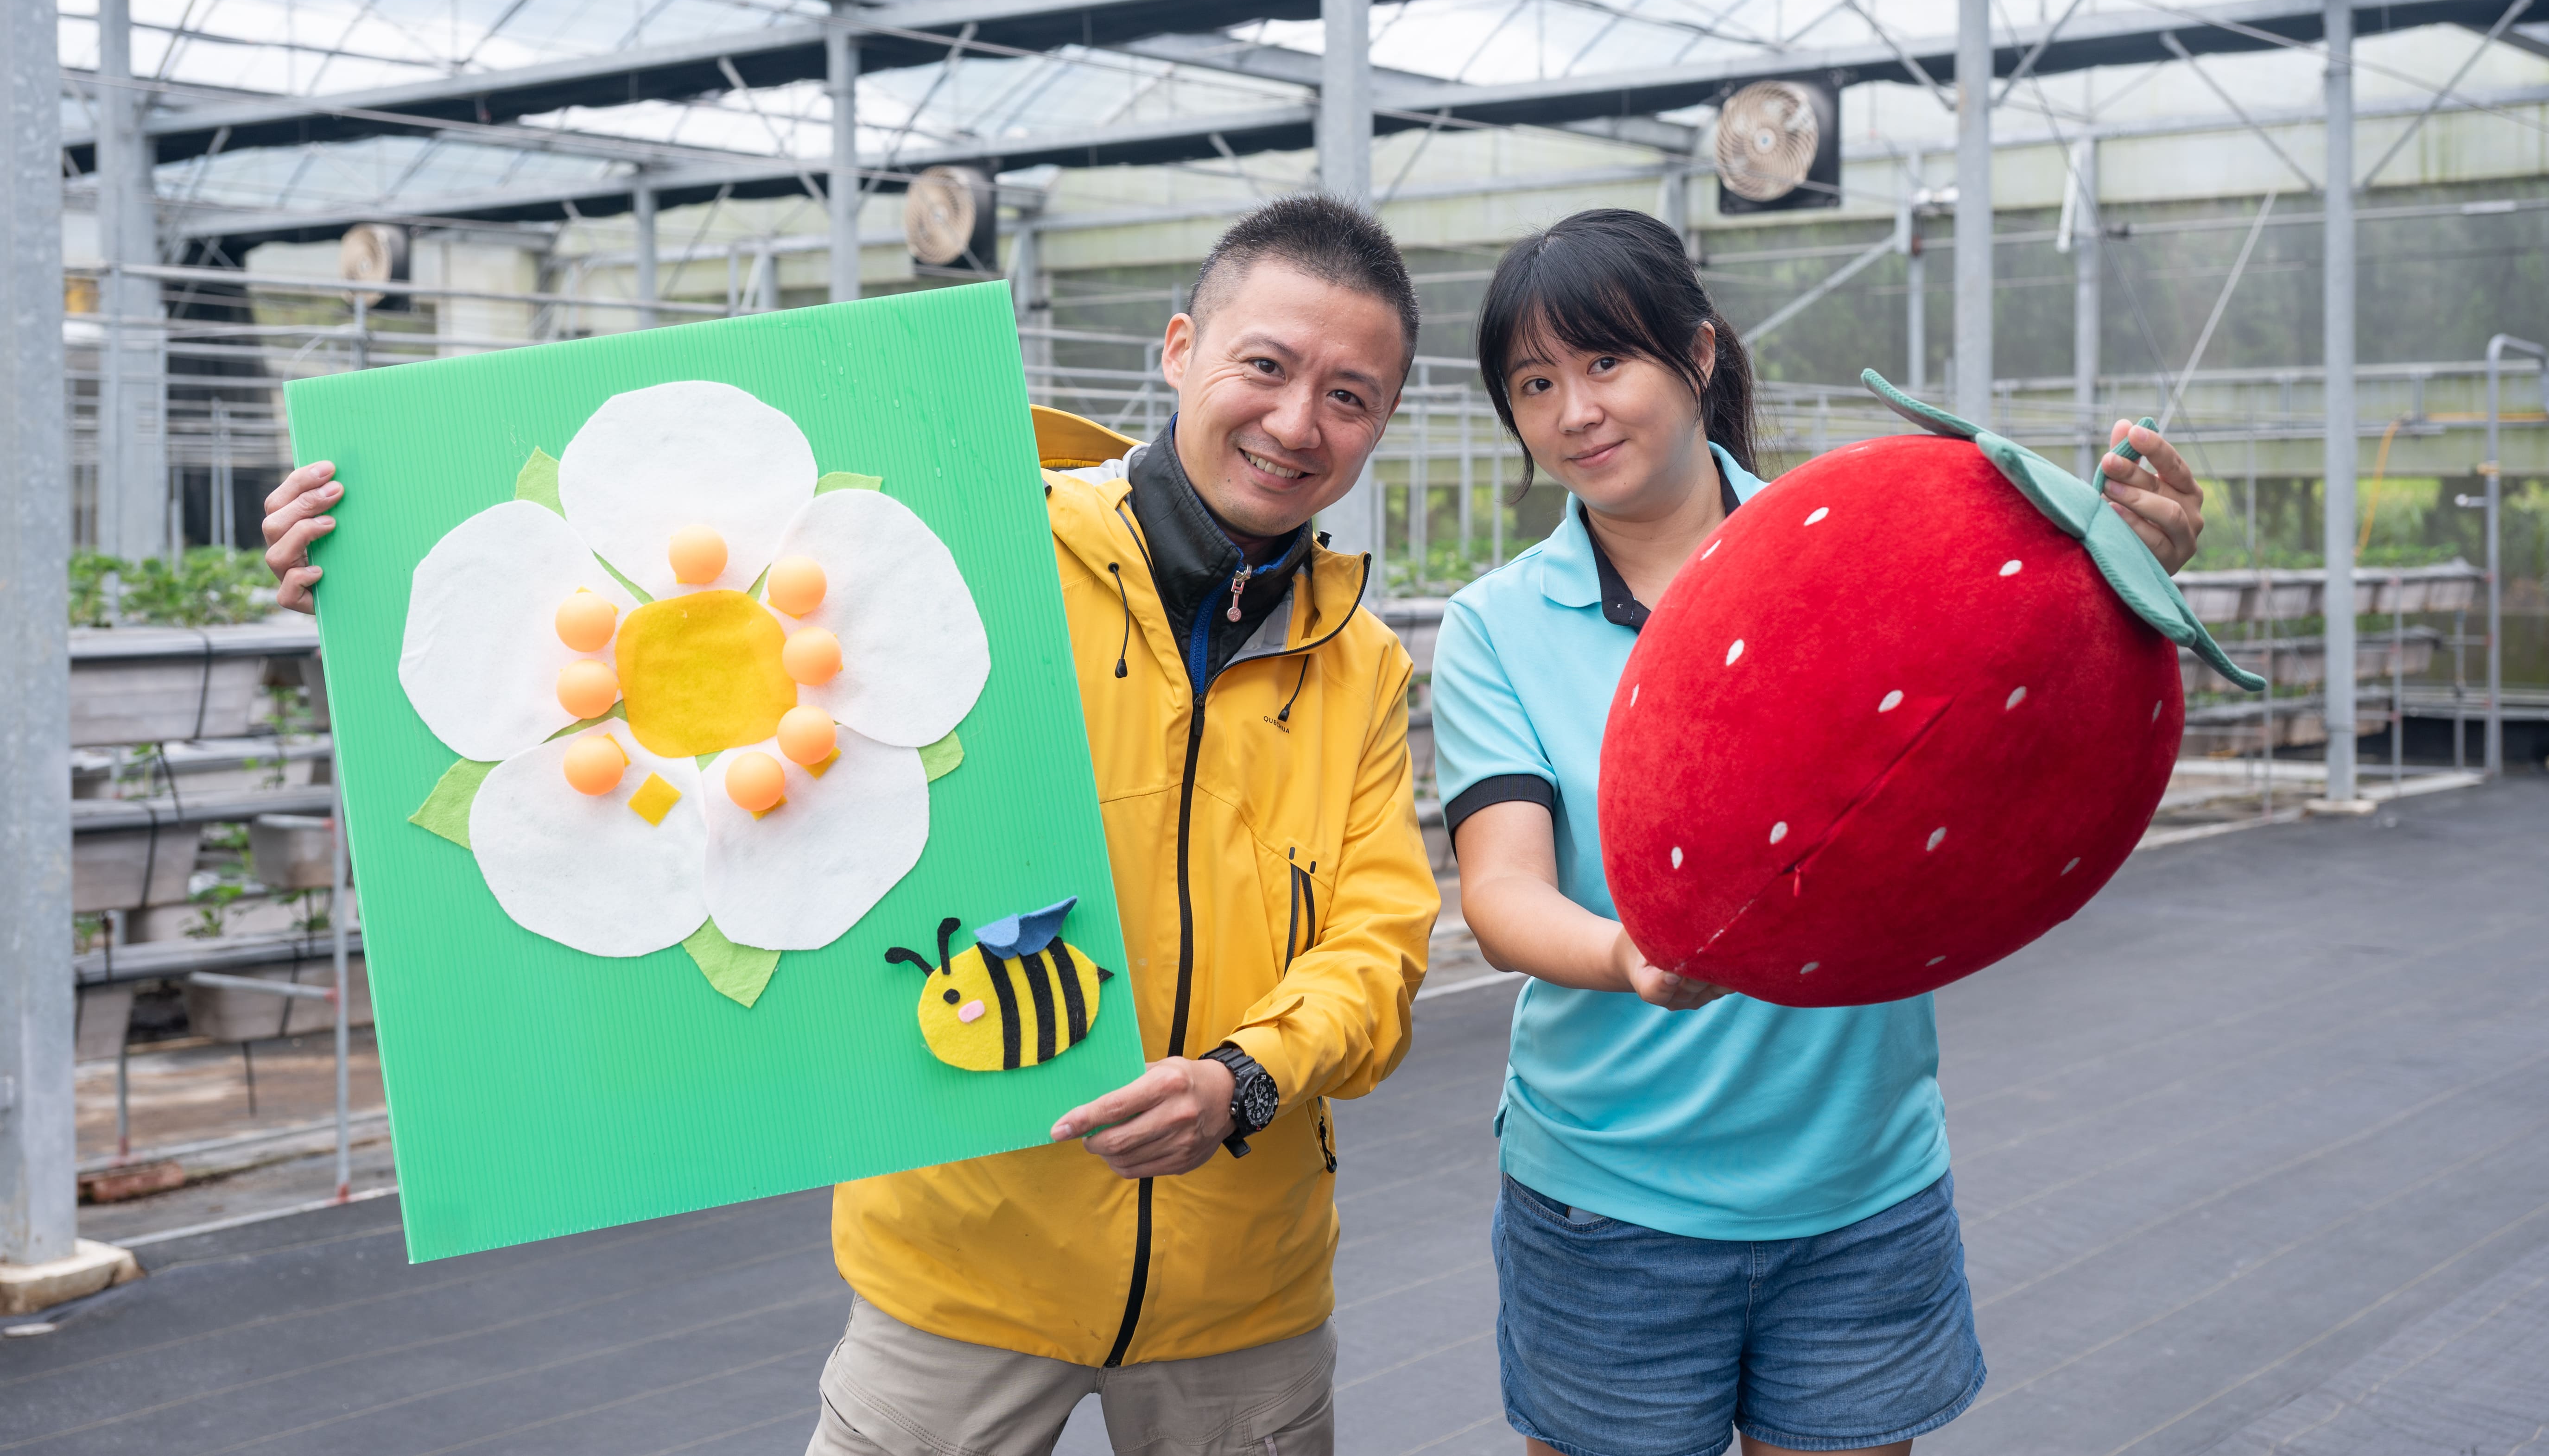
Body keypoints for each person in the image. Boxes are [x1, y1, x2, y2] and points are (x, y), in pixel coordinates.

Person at [260, 195, 1441, 1456]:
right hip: (960, 1262)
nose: (1295, 421)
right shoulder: (983, 553)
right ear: (1177, 350)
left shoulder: (1357, 662)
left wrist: (1244, 1078)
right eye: (1264, 365)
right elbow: (607, 590)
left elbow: (1378, 942)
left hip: (1239, 1297)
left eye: (1348, 394)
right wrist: (359, 566)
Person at [1429, 208, 2207, 1456]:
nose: (1573, 408)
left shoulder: (1857, 547)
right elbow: (1502, 891)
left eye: (1604, 360)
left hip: (1858, 1192)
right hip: (1607, 1203)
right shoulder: (1496, 626)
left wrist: (2127, 571)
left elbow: (2018, 707)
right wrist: (1630, 953)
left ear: (1697, 353)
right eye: (1533, 382)